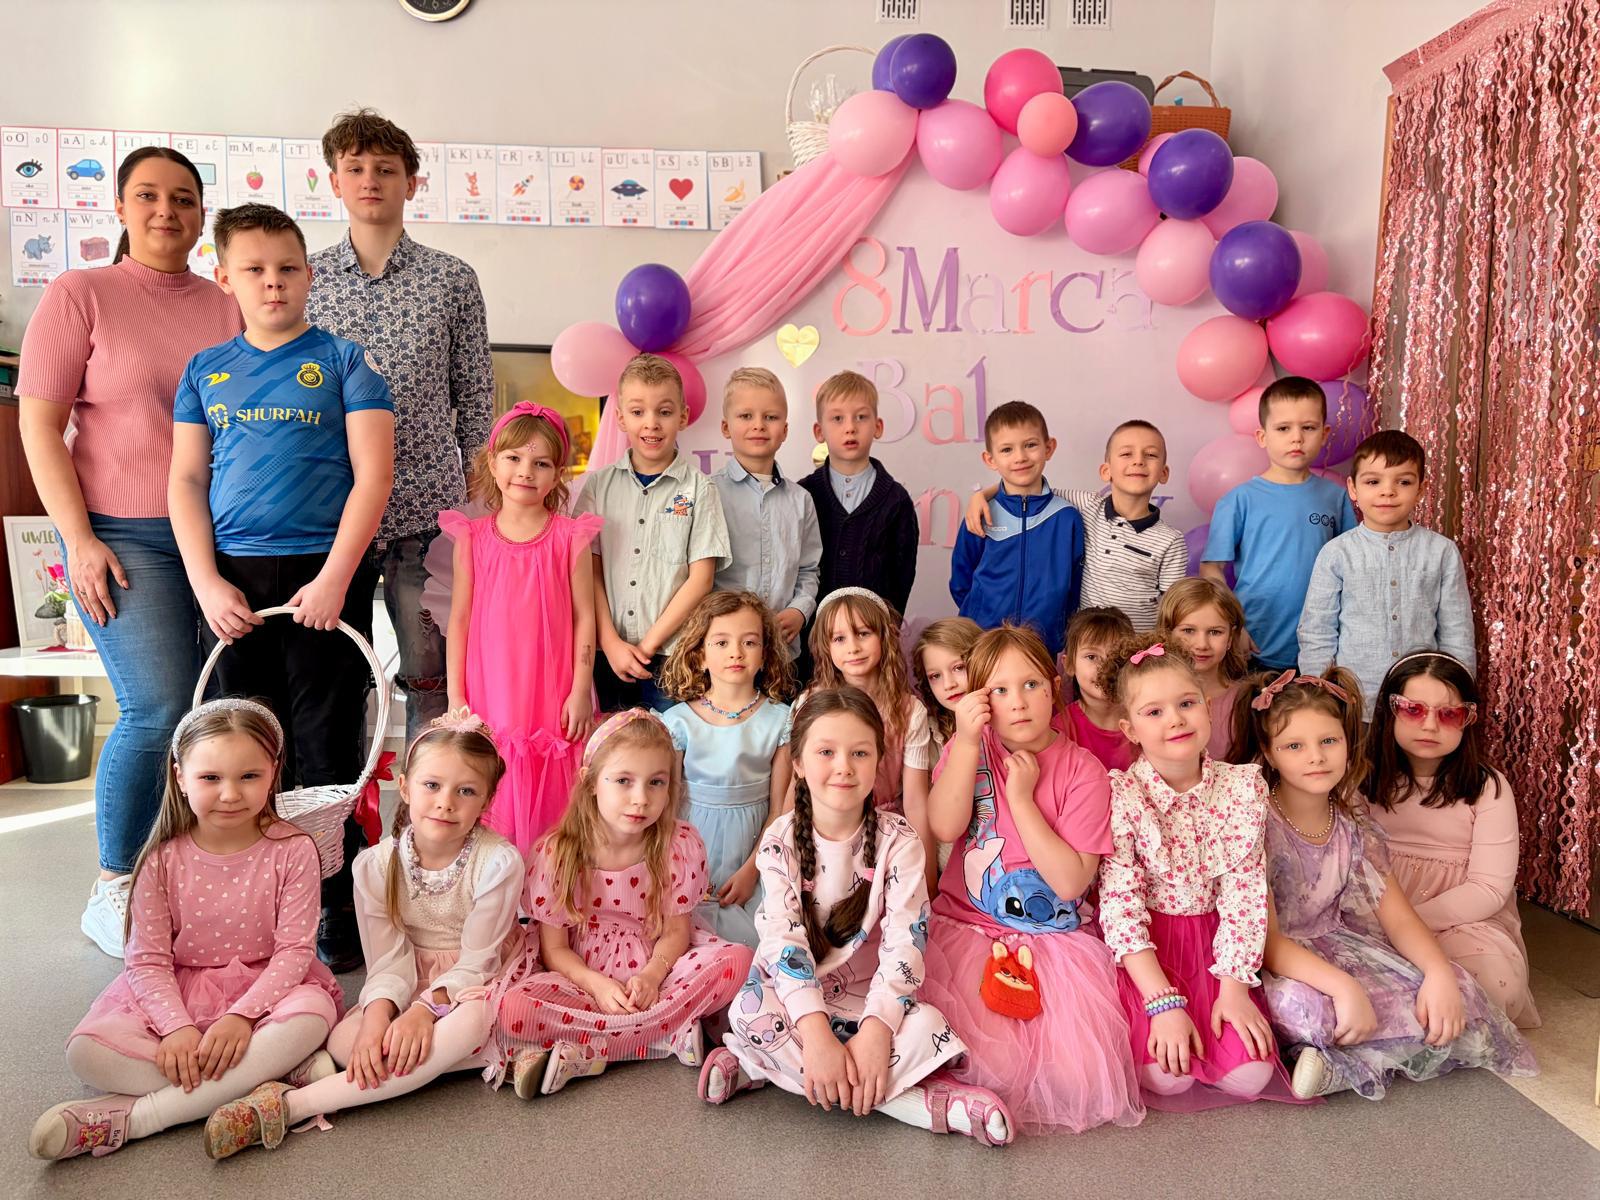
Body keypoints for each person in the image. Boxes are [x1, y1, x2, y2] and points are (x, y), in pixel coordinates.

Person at [18, 146, 244, 958]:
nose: (165, 211)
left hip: (216, 537)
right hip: (122, 533)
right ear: (119, 207)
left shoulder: (227, 305)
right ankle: (114, 884)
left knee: (220, 712)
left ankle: (188, 877)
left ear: (202, 214)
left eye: (182, 198)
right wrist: (79, 540)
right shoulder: (80, 293)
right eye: (147, 195)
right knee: (157, 707)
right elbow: (39, 426)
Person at [200, 710, 523, 1157]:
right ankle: (458, 1059)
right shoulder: (374, 865)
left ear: (486, 801)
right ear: (405, 787)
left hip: (473, 983)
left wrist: (425, 1011)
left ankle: (291, 1105)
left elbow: (479, 961)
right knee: (345, 1042)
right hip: (408, 978)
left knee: (469, 1023)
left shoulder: (498, 862)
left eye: (466, 791)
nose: (446, 802)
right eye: (432, 785)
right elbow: (388, 960)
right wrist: (378, 1019)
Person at [698, 688, 1012, 1146]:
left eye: (859, 753)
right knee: (748, 1011)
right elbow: (783, 944)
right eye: (826, 752)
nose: (844, 766)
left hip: (870, 996)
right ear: (799, 763)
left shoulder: (900, 841)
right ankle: (925, 1107)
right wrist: (817, 1036)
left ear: (878, 762)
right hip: (795, 998)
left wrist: (878, 1030)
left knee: (927, 1028)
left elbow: (905, 942)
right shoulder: (779, 841)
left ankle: (762, 1067)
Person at [30, 700, 341, 1161]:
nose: (230, 794)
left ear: (274, 773)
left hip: (268, 990)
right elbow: (147, 961)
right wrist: (176, 1028)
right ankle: (272, 1075)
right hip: (176, 991)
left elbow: (295, 952)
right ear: (180, 777)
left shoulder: (294, 850)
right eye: (210, 778)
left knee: (312, 1018)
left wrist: (242, 1016)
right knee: (85, 1053)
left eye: (249, 776)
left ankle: (137, 1118)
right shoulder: (160, 859)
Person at [169, 202, 395, 796]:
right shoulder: (203, 370)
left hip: (324, 572)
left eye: (288, 268)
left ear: (309, 275)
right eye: (255, 269)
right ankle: (251, 857)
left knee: (326, 741)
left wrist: (334, 580)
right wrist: (206, 584)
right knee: (242, 743)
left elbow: (374, 476)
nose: (274, 282)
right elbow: (186, 481)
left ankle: (329, 857)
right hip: (232, 578)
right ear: (225, 278)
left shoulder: (347, 361)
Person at [1233, 666, 1535, 1100]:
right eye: (1294, 745)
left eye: (1329, 741)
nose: (1316, 757)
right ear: (1269, 751)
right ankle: (1352, 1056)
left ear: (1348, 742)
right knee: (1305, 1007)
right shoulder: (1255, 821)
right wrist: (1342, 986)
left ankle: (1346, 1063)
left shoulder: (1352, 817)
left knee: (1456, 990)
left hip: (1339, 942)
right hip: (1282, 957)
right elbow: (1267, 940)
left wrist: (1438, 972)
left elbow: (1398, 917)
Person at [307, 107, 494, 744]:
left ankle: (428, 796)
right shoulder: (305, 278)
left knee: (430, 673)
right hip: (334, 510)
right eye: (355, 168)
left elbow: (475, 395)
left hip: (429, 510)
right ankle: (342, 801)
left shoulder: (452, 279)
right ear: (334, 181)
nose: (370, 180)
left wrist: (481, 496)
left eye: (385, 169)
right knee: (338, 673)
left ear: (411, 182)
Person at [921, 626, 1144, 1135]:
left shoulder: (1083, 771)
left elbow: (1069, 884)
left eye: (1031, 685)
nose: (1017, 703)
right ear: (980, 701)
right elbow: (945, 826)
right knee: (975, 1058)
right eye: (999, 691)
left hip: (1052, 943)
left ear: (1054, 686)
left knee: (1069, 1075)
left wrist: (1021, 800)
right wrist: (967, 742)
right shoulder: (970, 749)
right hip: (966, 930)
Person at [491, 709, 751, 1096]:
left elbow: (676, 932)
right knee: (513, 1007)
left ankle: (590, 1049)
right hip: (582, 978)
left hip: (659, 970)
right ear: (591, 782)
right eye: (624, 781)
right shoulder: (558, 853)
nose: (640, 799)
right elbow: (555, 950)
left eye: (656, 783)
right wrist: (597, 985)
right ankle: (664, 1036)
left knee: (738, 962)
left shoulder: (678, 844)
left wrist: (652, 976)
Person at [1096, 636, 1302, 1109]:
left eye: (1186, 703)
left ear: (1208, 708)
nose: (1175, 719)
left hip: (1217, 947)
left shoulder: (1240, 788)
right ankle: (1156, 1013)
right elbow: (1121, 906)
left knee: (1250, 1075)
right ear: (1130, 728)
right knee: (1167, 1076)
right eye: (1154, 712)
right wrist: (1161, 1003)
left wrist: (1235, 990)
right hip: (1149, 953)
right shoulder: (1124, 795)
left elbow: (1245, 896)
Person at [440, 401, 602, 854]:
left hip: (552, 687)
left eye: (541, 463)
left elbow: (584, 616)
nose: (525, 471)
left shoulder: (570, 536)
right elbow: (459, 618)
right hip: (490, 686)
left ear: (557, 475)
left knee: (552, 792)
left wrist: (580, 688)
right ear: (493, 463)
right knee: (495, 775)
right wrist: (455, 696)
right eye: (514, 458)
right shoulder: (472, 536)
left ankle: (546, 885)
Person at [1365, 652, 1540, 1027]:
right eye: (1413, 709)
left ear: (1468, 720)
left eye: (1449, 714)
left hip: (1462, 920)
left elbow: (1488, 888)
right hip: (1373, 911)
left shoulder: (1487, 787)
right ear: (1389, 710)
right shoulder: (1361, 780)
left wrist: (1408, 925)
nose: (1430, 725)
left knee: (1495, 984)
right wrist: (1384, 924)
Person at [575, 354, 730, 712]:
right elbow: (588, 572)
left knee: (670, 742)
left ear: (683, 416)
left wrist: (648, 646)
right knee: (610, 742)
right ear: (620, 418)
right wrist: (610, 641)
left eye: (664, 411)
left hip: (673, 654)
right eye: (637, 411)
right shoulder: (597, 487)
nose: (652, 423)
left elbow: (701, 579)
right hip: (608, 653)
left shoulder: (700, 489)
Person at [1297, 430, 1476, 720]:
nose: (1388, 491)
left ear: (1421, 489)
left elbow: (1457, 632)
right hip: (1354, 703)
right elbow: (1317, 631)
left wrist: (1455, 697)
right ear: (1353, 489)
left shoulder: (1441, 551)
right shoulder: (1336, 553)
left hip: (1422, 705)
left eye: (1403, 482)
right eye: (1373, 482)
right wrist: (1320, 698)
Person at [660, 591, 795, 948]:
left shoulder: (781, 721)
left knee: (752, 942)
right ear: (700, 655)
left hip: (752, 851)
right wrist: (677, 867)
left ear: (765, 654)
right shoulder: (678, 723)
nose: (736, 652)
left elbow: (779, 810)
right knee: (686, 940)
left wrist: (753, 870)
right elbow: (667, 807)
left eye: (749, 642)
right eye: (721, 642)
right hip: (690, 850)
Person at [965, 418, 1187, 634]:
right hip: (1085, 645)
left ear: (1164, 473)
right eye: (1127, 454)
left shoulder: (1171, 540)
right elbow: (1026, 489)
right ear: (1106, 471)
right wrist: (981, 495)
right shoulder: (1086, 505)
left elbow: (1173, 611)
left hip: (1137, 645)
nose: (1138, 461)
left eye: (1150, 455)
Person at [1201, 377, 1357, 670]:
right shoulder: (1239, 500)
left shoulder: (1335, 498)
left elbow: (1353, 567)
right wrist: (1233, 626)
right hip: (1254, 645)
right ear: (1262, 437)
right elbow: (1211, 569)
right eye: (1283, 428)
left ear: (1324, 434)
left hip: (1322, 646)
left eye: (1308, 427)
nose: (1296, 438)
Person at [802, 588, 935, 877]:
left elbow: (915, 802)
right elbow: (796, 785)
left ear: (884, 637)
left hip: (886, 834)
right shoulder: (809, 703)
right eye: (839, 638)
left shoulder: (909, 711)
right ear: (826, 647)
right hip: (822, 830)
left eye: (863, 633)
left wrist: (928, 879)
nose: (853, 647)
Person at [949, 401, 1083, 657]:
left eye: (1030, 445)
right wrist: (978, 617)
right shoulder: (981, 513)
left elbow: (1075, 585)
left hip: (1043, 647)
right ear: (990, 459)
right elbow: (961, 578)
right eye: (1007, 449)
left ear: (1049, 448)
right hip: (983, 644)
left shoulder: (1067, 517)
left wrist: (1057, 629)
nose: (1020, 457)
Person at [708, 367, 821, 659]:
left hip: (782, 652)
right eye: (746, 416)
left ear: (784, 430)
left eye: (770, 417)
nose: (758, 425)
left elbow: (808, 569)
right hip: (725, 653)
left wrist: (799, 610)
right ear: (726, 427)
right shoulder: (708, 494)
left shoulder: (801, 500)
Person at [798, 370, 919, 617]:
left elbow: (902, 576)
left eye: (861, 417)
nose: (850, 428)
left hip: (873, 632)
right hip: (814, 633)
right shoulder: (803, 495)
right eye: (837, 418)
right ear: (819, 432)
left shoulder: (896, 500)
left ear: (878, 426)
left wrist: (888, 629)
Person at [1159, 577, 1250, 761]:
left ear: (1230, 638)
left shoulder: (1245, 702)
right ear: (1167, 632)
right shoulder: (1149, 697)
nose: (1202, 644)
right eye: (1188, 631)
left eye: (1215, 632)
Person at [1062, 607, 1137, 773]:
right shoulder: (1060, 729)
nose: (1104, 666)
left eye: (1116, 655)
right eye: (1092, 657)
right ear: (1069, 665)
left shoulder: (1146, 719)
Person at [912, 616, 983, 760]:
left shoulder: (1014, 717)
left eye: (958, 668)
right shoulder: (929, 736)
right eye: (935, 676)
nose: (949, 684)